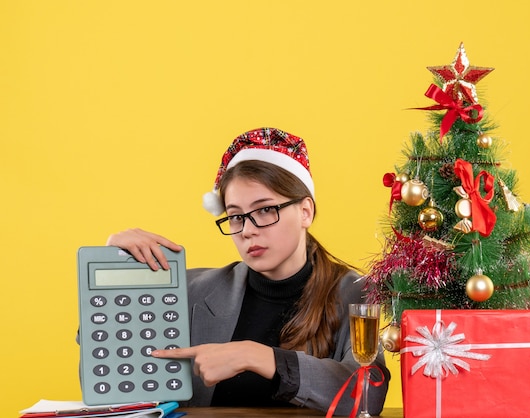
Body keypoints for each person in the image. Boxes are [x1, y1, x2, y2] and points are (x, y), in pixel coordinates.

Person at [106, 127, 390, 415]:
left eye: (265, 210)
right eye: (236, 216)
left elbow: (369, 395)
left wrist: (259, 357)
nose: (248, 230)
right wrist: (116, 268)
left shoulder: (355, 291)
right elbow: (112, 376)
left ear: (305, 211)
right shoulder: (192, 290)